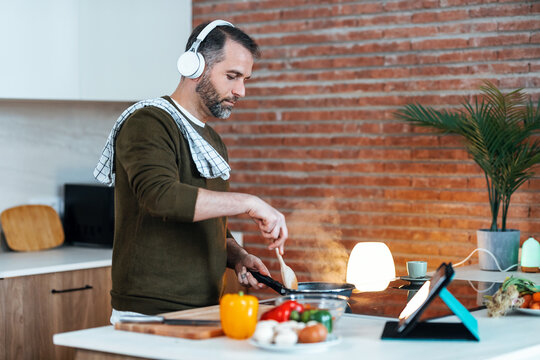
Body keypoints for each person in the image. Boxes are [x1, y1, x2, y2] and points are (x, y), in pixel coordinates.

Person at [94, 20, 288, 319]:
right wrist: (249, 203)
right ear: (194, 67)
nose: (241, 91)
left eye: (245, 79)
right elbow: (161, 197)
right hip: (151, 312)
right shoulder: (149, 122)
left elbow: (208, 220)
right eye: (232, 76)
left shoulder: (211, 139)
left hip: (205, 307)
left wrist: (238, 255)